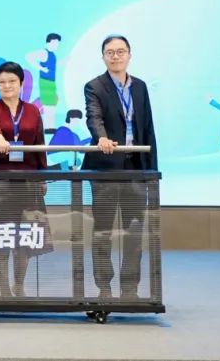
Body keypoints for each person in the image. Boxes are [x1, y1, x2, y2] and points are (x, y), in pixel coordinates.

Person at [81, 35, 158, 300]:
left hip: (135, 168)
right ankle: (104, 287)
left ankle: (130, 288)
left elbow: (147, 128)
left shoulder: (140, 87)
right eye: (110, 52)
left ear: (129, 55)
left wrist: (151, 170)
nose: (116, 56)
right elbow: (94, 117)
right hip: (105, 168)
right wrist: (101, 138)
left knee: (134, 231)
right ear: (103, 56)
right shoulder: (95, 86)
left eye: (121, 51)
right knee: (103, 231)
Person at [0, 61, 52, 298]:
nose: (7, 86)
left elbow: (39, 144)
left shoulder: (32, 110)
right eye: (2, 82)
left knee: (25, 238)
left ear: (21, 83)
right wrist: (0, 139)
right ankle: (1, 289)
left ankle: (19, 286)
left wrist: (43, 176)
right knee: (0, 237)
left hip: (28, 181)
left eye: (12, 81)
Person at [26, 33, 62, 130]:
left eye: (57, 44)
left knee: (52, 104)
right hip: (45, 82)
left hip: (51, 82)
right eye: (55, 43)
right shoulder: (44, 53)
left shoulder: (52, 54)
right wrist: (41, 68)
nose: (56, 46)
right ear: (48, 43)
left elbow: (52, 64)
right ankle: (49, 127)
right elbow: (28, 57)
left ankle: (51, 127)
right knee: (48, 105)